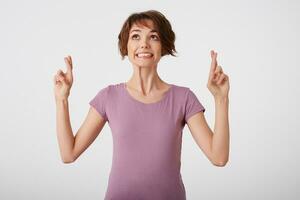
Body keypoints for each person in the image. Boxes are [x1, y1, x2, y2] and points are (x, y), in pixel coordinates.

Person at [53, 10, 230, 200]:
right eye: (136, 36)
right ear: (126, 46)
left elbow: (218, 157)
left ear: (164, 46)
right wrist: (61, 99)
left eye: (153, 36)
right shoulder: (108, 96)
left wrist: (221, 99)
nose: (144, 44)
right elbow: (68, 153)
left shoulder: (183, 98)